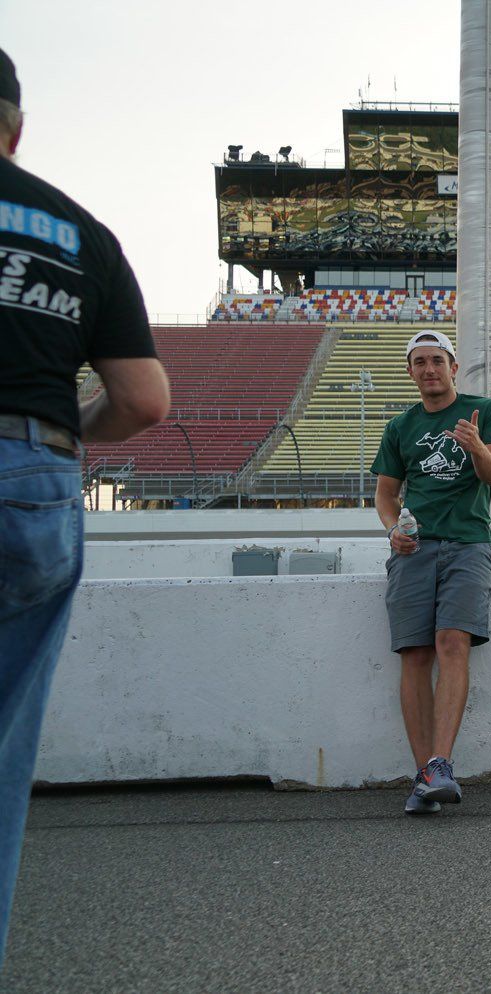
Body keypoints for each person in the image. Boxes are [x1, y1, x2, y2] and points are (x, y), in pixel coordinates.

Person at [0, 47, 170, 965]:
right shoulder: (78, 231)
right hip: (32, 472)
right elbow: (144, 402)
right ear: (16, 127)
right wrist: (57, 423)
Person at [371, 330, 491, 816]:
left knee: (451, 642)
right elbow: (386, 495)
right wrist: (393, 531)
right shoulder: (399, 427)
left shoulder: (484, 412)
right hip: (413, 549)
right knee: (413, 653)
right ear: (410, 372)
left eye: (437, 361)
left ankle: (440, 765)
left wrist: (475, 446)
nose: (429, 369)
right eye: (419, 362)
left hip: (468, 544)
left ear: (454, 367)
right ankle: (425, 775)